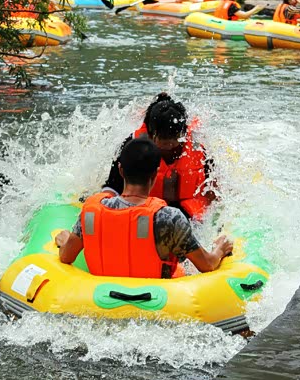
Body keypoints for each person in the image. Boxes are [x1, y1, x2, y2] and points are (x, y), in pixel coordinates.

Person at [55, 138, 232, 278]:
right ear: (155, 174)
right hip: (159, 300)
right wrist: (220, 249)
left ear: (121, 171)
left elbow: (66, 257)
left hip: (97, 296)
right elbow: (207, 265)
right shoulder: (170, 218)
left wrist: (65, 240)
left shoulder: (91, 211)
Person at [103, 93, 215, 220]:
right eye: (164, 140)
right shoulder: (133, 146)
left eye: (175, 138)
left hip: (189, 213)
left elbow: (214, 187)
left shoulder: (199, 144)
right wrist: (102, 204)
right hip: (146, 212)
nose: (170, 144)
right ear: (150, 134)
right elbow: (113, 185)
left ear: (183, 133)